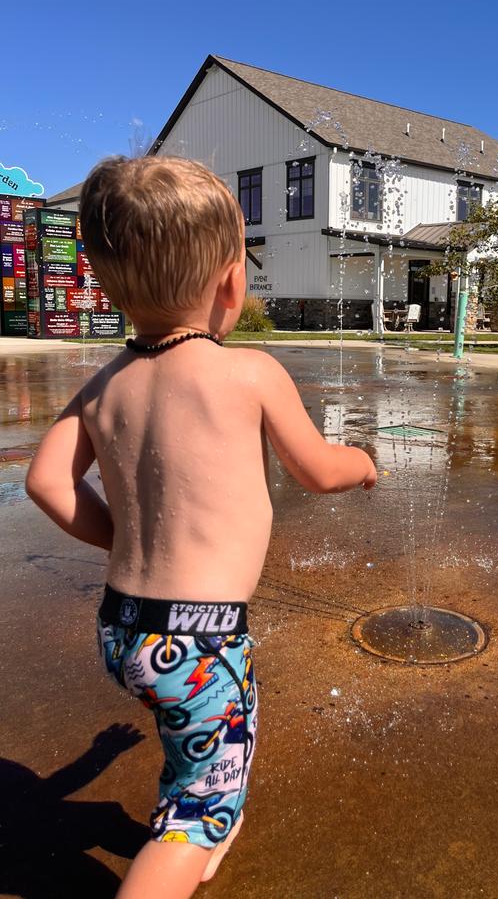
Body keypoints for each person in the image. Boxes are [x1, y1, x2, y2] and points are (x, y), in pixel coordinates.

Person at [25, 156, 377, 899]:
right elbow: (318, 469)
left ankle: (190, 827)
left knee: (193, 756)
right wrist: (365, 463)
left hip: (124, 630)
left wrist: (120, 536)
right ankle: (187, 843)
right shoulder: (249, 372)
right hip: (201, 641)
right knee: (202, 812)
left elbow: (47, 482)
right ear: (229, 282)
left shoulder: (102, 386)